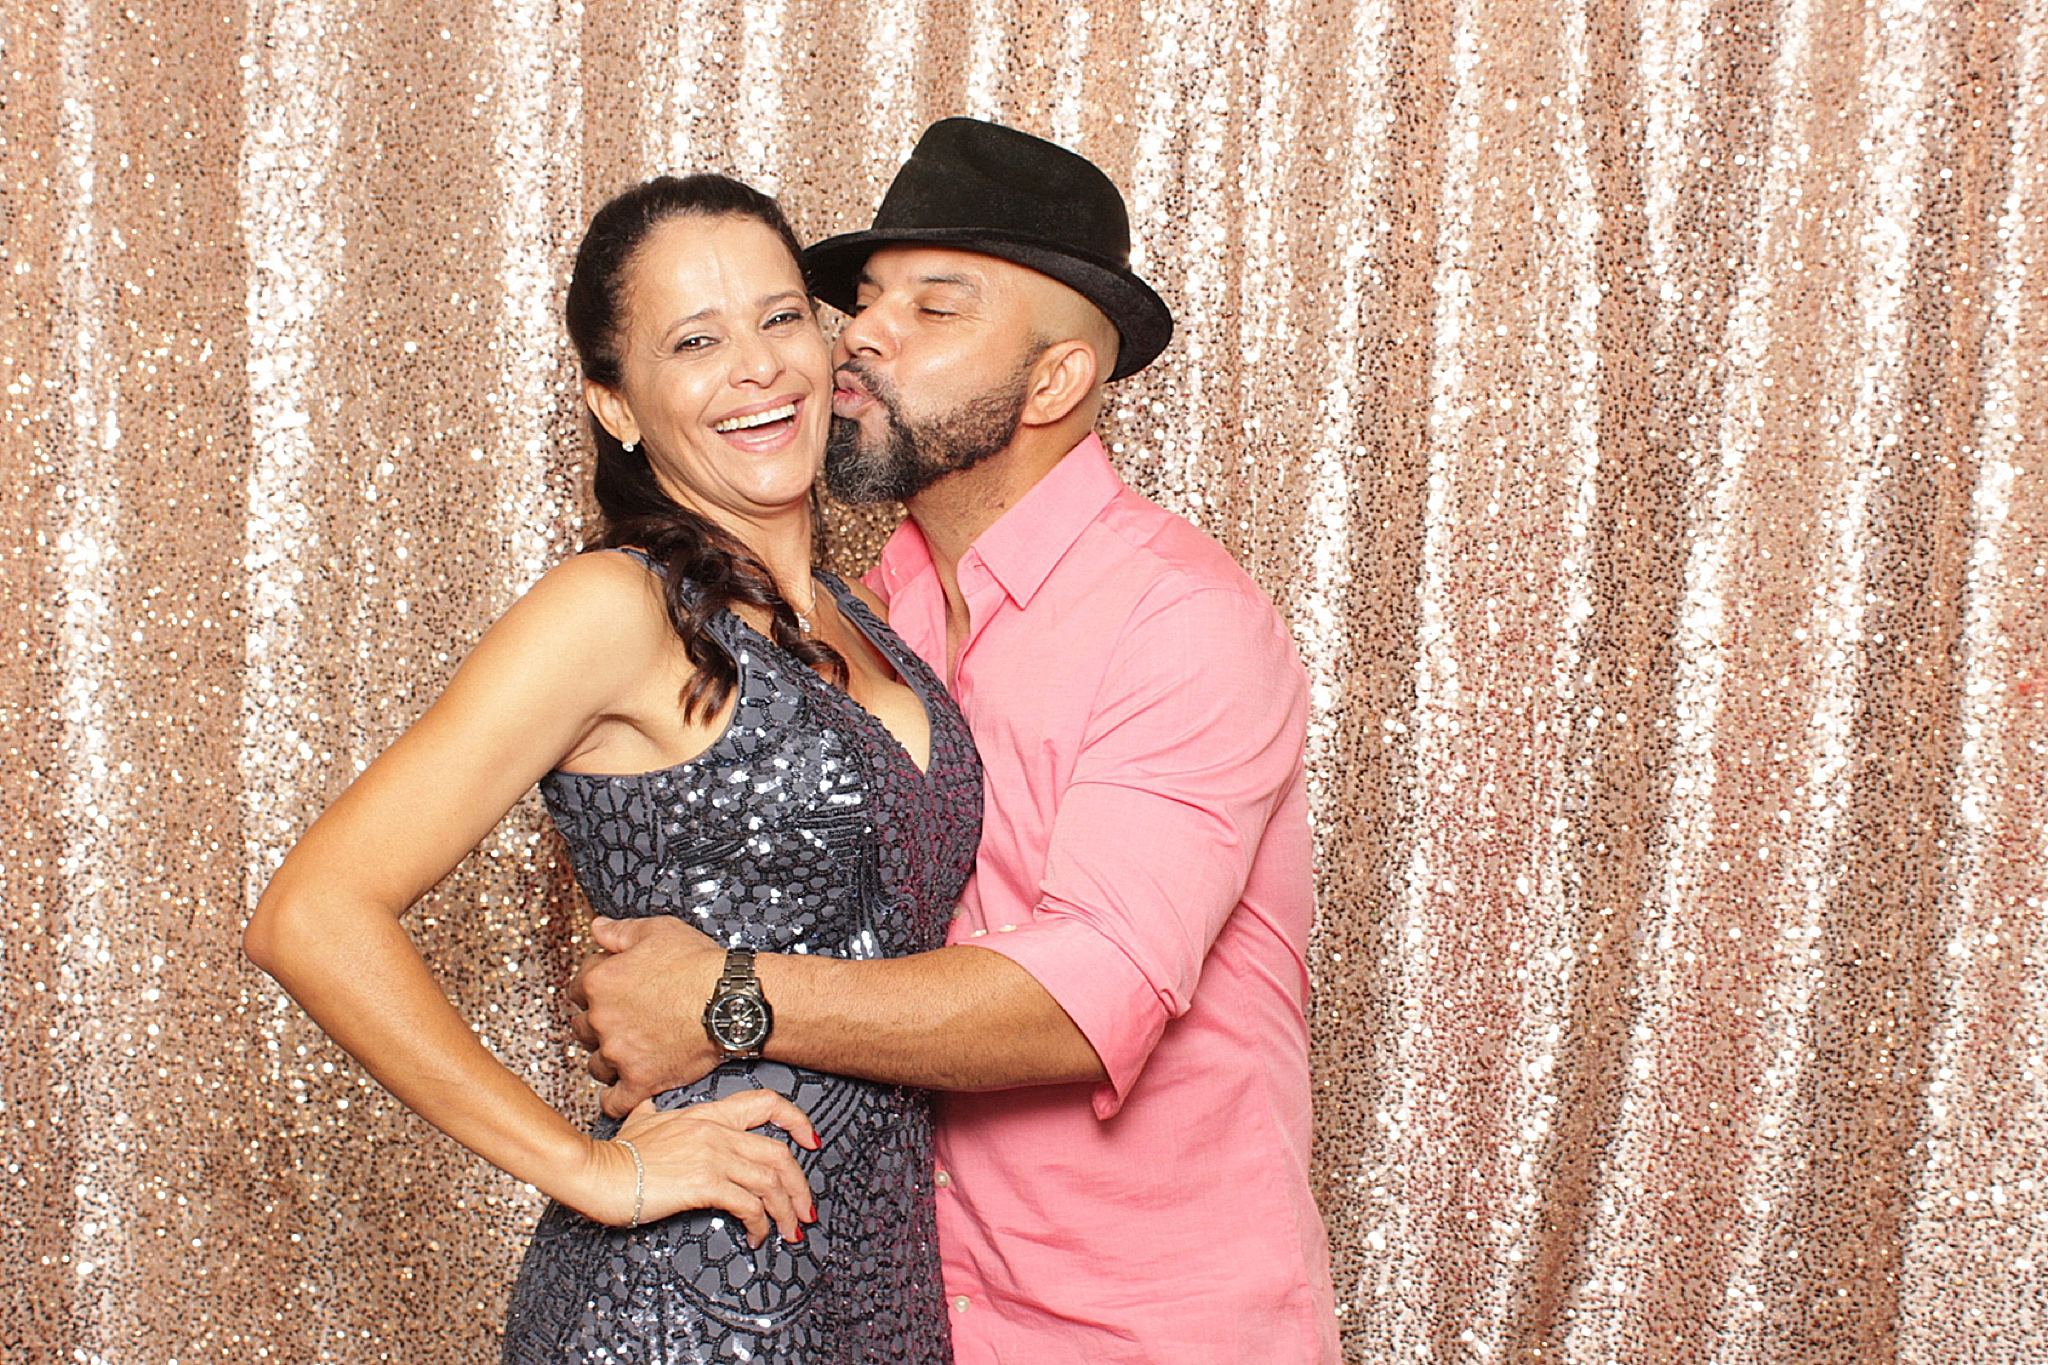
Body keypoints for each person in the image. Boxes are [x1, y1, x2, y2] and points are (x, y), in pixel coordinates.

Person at [571, 120, 1340, 1363]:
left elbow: (1079, 1007)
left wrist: (721, 1000)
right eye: (865, 302)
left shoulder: (1182, 620)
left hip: (1149, 1332)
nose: (860, 336)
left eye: (934, 308)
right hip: (912, 1321)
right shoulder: (879, 609)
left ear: (1053, 384)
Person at [244, 173, 980, 1364]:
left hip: (878, 1282)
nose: (758, 366)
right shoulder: (617, 608)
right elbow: (311, 914)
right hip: (680, 1302)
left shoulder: (869, 617)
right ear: (615, 402)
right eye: (696, 340)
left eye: (781, 316)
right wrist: (593, 1171)